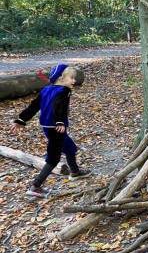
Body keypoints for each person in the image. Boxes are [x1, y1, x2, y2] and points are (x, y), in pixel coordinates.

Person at [13, 63, 90, 198]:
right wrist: (60, 121)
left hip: (48, 128)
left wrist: (21, 120)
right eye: (71, 78)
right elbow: (59, 106)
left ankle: (75, 172)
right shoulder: (63, 91)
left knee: (70, 148)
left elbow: (34, 106)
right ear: (61, 78)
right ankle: (35, 186)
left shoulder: (45, 90)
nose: (74, 81)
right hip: (56, 128)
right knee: (53, 159)